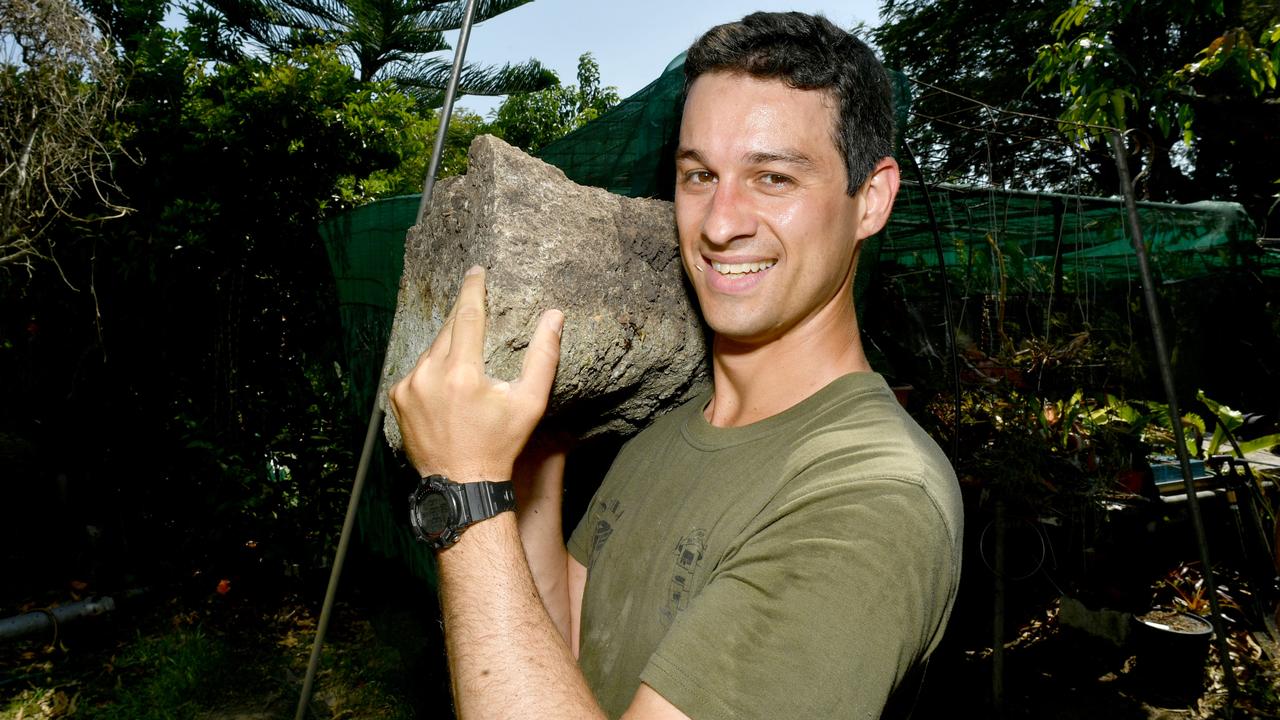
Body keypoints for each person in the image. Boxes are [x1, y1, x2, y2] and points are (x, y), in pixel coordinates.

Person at [389, 11, 963, 719]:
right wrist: (537, 451)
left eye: (773, 178)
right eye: (699, 175)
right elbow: (558, 649)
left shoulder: (872, 498)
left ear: (870, 199)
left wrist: (465, 494)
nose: (720, 223)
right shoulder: (666, 434)